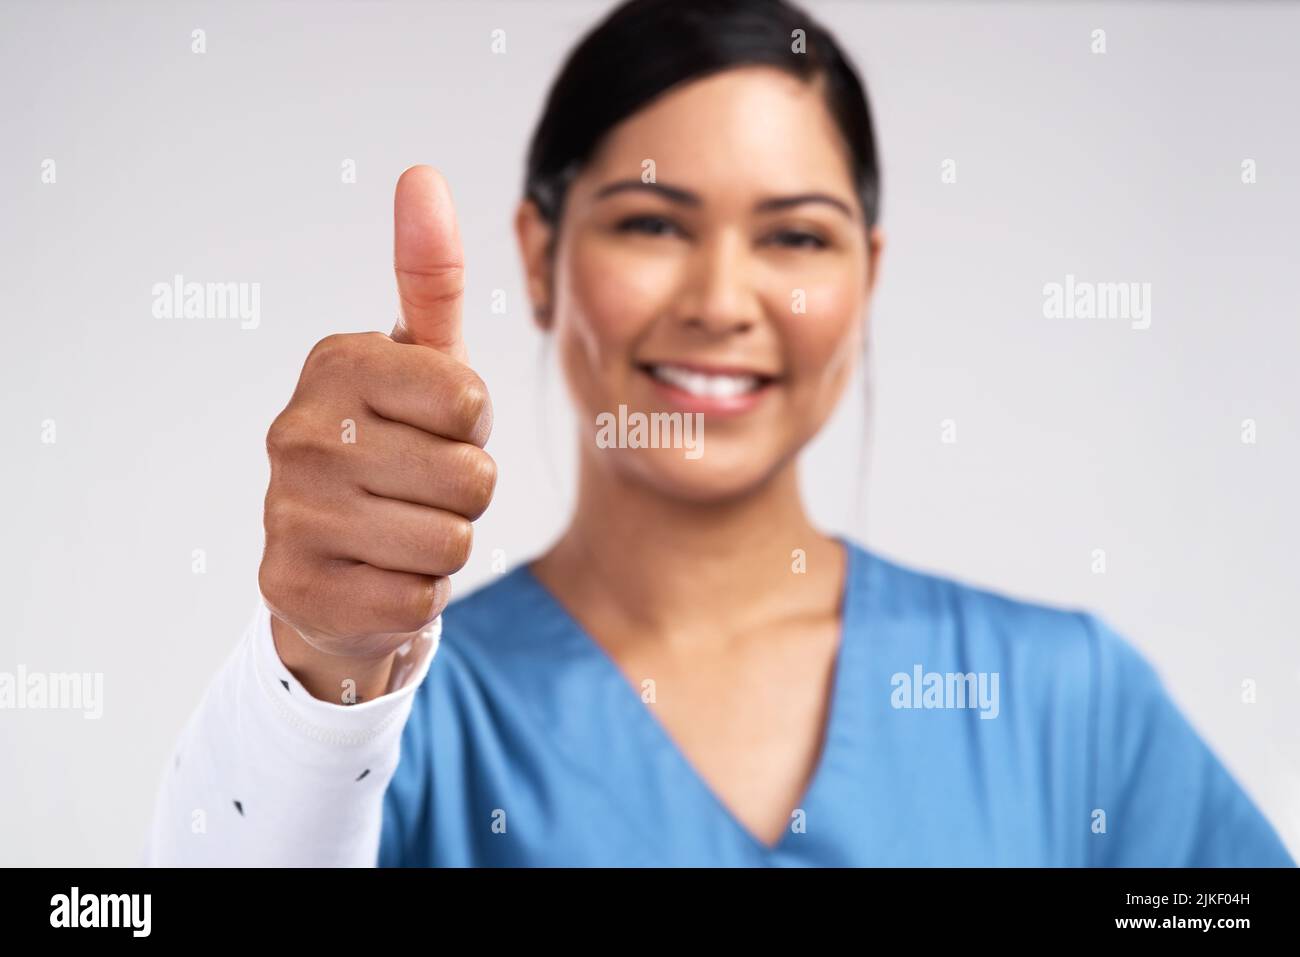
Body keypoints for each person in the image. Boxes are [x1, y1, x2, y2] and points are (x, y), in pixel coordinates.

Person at [144, 0, 1294, 867]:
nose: (721, 300)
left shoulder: (1063, 703)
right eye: (651, 221)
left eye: (796, 237)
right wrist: (323, 674)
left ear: (866, 274)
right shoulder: (407, 719)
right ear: (539, 256)